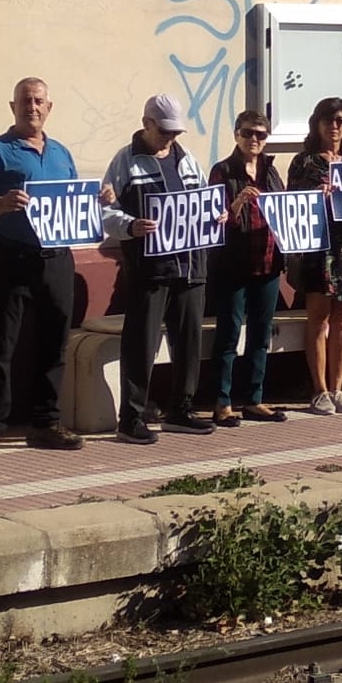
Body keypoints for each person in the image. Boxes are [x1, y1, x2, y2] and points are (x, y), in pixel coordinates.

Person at [0, 78, 93, 460]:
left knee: (54, 342)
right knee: (0, 344)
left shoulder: (61, 154)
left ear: (49, 107)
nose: (32, 107)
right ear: (13, 106)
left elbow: (75, 203)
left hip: (56, 259)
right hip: (12, 256)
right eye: (25, 101)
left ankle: (46, 423)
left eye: (38, 101)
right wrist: (1, 203)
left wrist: (99, 198)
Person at [102, 94, 214, 442]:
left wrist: (216, 215)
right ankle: (132, 417)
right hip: (150, 270)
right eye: (164, 131)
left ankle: (181, 409)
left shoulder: (187, 160)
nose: (171, 138)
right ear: (146, 123)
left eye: (175, 132)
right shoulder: (126, 162)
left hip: (191, 267)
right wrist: (130, 225)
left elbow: (202, 200)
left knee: (190, 341)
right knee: (141, 343)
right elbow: (106, 213)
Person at [207, 109, 288, 427]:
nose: (254, 139)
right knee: (228, 334)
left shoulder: (271, 170)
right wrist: (237, 202)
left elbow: (285, 210)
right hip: (234, 264)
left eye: (260, 134)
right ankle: (221, 401)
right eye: (248, 133)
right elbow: (213, 219)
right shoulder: (223, 170)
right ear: (236, 134)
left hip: (267, 262)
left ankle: (254, 399)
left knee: (261, 333)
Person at [288, 98, 342, 414]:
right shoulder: (304, 162)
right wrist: (314, 197)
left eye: (341, 120)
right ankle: (319, 390)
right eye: (328, 119)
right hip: (319, 249)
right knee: (318, 318)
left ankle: (338, 387)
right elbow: (291, 204)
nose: (335, 126)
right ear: (316, 123)